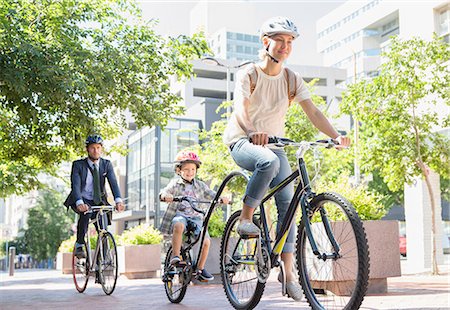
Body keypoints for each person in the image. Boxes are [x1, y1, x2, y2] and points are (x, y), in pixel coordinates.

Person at [222, 16, 351, 301]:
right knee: (267, 162)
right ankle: (245, 218)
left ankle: (289, 273)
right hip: (244, 139)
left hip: (275, 144)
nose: (285, 46)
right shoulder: (250, 74)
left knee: (289, 206)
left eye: (290, 41)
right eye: (279, 40)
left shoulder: (291, 78)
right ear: (265, 42)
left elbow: (313, 112)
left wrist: (335, 135)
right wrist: (254, 131)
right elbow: (242, 109)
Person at [159, 150, 229, 282]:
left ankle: (200, 269)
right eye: (186, 169)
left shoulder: (200, 185)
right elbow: (164, 192)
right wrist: (165, 196)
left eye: (192, 169)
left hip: (196, 217)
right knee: (178, 224)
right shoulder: (175, 184)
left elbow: (212, 194)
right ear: (179, 170)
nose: (190, 172)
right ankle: (176, 256)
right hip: (181, 215)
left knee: (206, 241)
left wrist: (222, 198)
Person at [64, 134, 125, 259]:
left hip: (99, 201)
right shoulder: (78, 165)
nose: (96, 151)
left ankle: (101, 264)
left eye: (98, 147)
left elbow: (113, 183)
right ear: (87, 149)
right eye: (92, 148)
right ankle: (80, 243)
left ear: (101, 149)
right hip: (82, 199)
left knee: (103, 228)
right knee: (85, 214)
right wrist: (79, 202)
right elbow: (75, 185)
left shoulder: (106, 164)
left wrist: (118, 200)